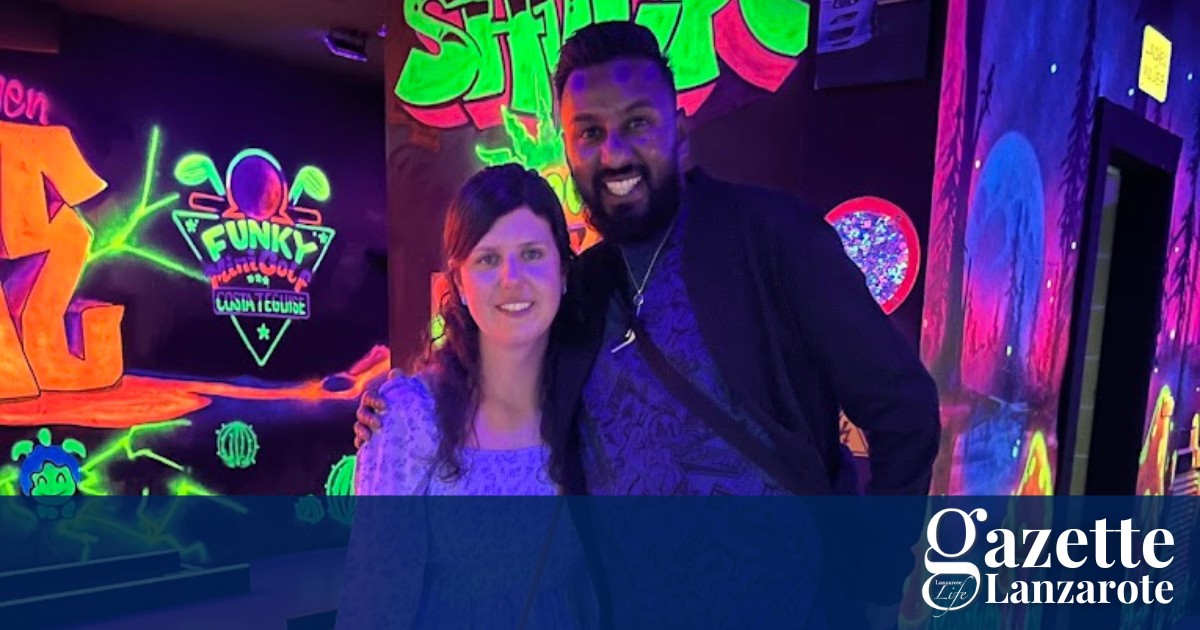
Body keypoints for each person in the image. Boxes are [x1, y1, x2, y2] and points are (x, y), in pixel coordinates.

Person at [357, 20, 940, 627]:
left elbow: (903, 406)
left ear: (679, 134)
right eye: (590, 132)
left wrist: (876, 581)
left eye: (637, 123)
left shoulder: (771, 237)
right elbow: (499, 359)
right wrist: (398, 407)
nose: (614, 153)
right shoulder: (580, 289)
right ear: (568, 150)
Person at [336, 164, 597, 629]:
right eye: (488, 259)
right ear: (458, 282)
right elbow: (373, 606)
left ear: (562, 270)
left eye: (532, 253)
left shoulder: (596, 406)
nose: (511, 278)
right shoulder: (410, 418)